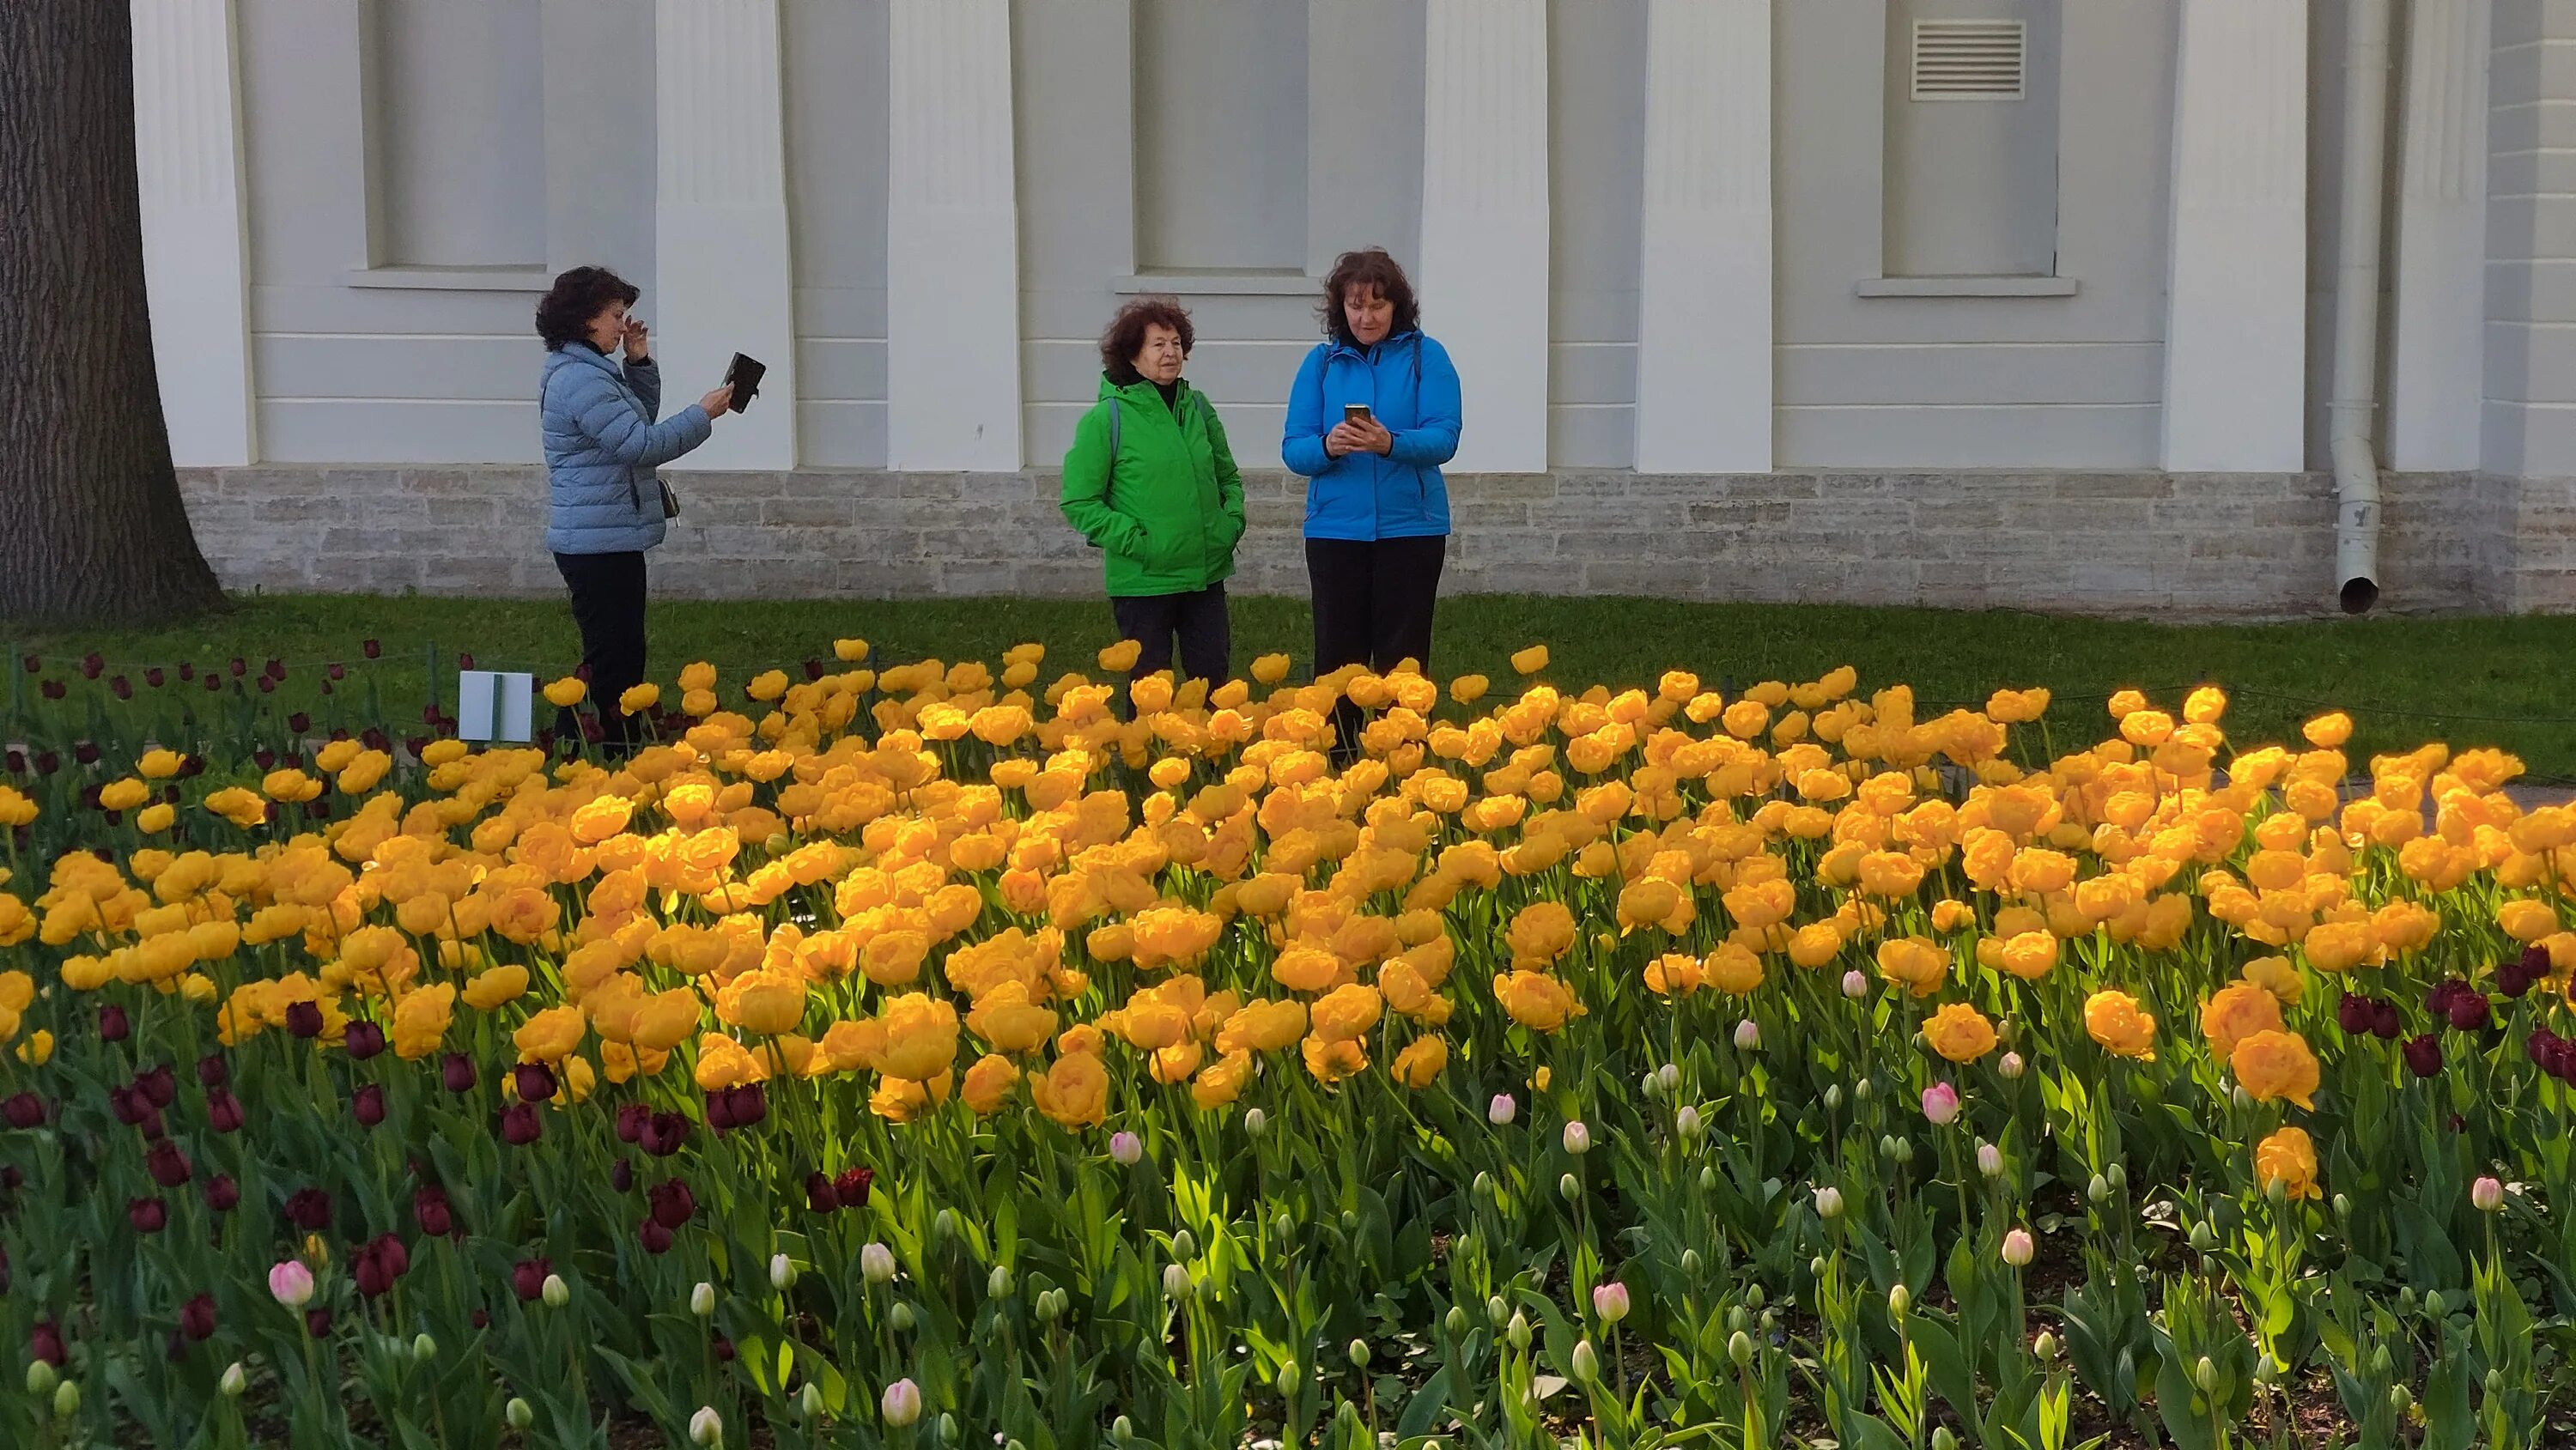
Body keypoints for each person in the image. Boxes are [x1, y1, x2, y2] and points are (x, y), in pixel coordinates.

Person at [534, 265, 731, 751]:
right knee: (614, 655)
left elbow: (633, 421)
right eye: (616, 315)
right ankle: (600, 746)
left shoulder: (589, 373)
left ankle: (593, 744)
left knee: (616, 651)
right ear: (586, 321)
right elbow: (640, 444)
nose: (624, 325)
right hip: (598, 540)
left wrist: (638, 364)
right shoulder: (582, 381)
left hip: (605, 534)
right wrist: (702, 415)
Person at [1282, 248, 1461, 754]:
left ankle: (1402, 757)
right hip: (1335, 531)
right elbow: (1294, 447)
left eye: (1378, 306)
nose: (1366, 317)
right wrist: (1327, 447)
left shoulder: (1429, 357)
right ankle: (1336, 759)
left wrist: (1390, 443)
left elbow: (1445, 437)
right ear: (1340, 308)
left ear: (1396, 307)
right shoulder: (1320, 364)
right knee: (1338, 656)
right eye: (1356, 306)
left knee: (1403, 657)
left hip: (1413, 528)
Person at [1060, 296, 1246, 689]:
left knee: (1214, 688)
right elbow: (1079, 501)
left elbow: (1227, 474)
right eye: (1158, 344)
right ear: (1132, 354)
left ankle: (1214, 754)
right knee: (1150, 694)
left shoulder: (1197, 407)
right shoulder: (1104, 419)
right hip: (1144, 581)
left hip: (1205, 574)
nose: (1170, 353)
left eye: (1176, 343)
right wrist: (1140, 542)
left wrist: (1230, 522)